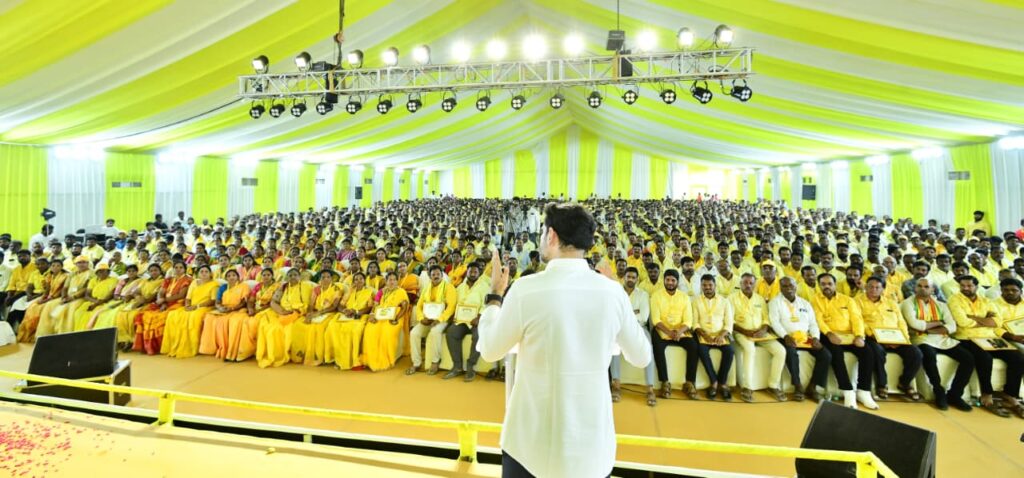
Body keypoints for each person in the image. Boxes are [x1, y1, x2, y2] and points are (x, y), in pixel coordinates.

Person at [476, 202, 651, 478]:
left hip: (528, 448)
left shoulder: (525, 289)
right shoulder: (613, 293)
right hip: (591, 452)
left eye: (543, 232)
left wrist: (495, 297)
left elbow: (489, 349)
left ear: (552, 236)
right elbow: (641, 355)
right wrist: (617, 300)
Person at [948, 275, 1024, 417]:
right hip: (968, 338)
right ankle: (986, 394)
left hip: (990, 337)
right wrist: (985, 319)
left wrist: (973, 317)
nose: (965, 288)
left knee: (1017, 358)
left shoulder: (986, 301)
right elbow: (963, 322)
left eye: (969, 286)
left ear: (976, 287)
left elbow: (997, 322)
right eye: (962, 286)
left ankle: (1010, 395)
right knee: (985, 358)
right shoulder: (954, 299)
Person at [901, 280, 974, 411]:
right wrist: (939, 322)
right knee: (929, 355)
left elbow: (952, 326)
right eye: (919, 286)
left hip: (942, 338)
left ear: (933, 290)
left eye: (926, 287)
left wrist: (928, 328)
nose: (922, 289)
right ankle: (938, 390)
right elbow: (916, 325)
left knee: (968, 358)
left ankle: (955, 394)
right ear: (915, 288)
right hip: (920, 338)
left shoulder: (941, 305)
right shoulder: (907, 303)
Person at [810, 273, 876, 409]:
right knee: (836, 353)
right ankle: (848, 392)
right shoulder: (815, 300)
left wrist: (859, 336)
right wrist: (829, 334)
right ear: (819, 285)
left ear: (835, 285)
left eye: (829, 284)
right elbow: (818, 320)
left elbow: (856, 319)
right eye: (823, 284)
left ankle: (863, 391)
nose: (826, 286)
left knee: (868, 352)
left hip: (850, 335)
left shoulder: (847, 300)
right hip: (829, 334)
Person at [857, 276, 922, 401]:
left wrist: (904, 338)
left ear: (883, 289)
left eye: (877, 287)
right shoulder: (857, 302)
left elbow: (901, 322)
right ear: (865, 287)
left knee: (916, 353)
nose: (873, 290)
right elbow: (858, 321)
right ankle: (882, 385)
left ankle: (905, 383)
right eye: (870, 286)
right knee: (877, 352)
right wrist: (874, 335)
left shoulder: (891, 303)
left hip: (896, 337)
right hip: (872, 337)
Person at [769, 277, 831, 402]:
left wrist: (815, 338)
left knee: (826, 355)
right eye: (785, 286)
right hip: (786, 336)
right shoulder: (775, 302)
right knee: (791, 352)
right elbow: (774, 323)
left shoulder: (805, 303)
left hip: (805, 337)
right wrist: (785, 336)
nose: (788, 289)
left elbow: (813, 323)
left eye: (791, 286)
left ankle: (812, 387)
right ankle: (797, 386)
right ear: (780, 288)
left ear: (796, 286)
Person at [731, 273, 788, 402]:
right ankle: (747, 387)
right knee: (750, 350)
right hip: (741, 332)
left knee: (781, 351)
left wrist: (763, 330)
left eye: (751, 283)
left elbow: (766, 319)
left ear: (754, 284)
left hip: (761, 334)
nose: (748, 285)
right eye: (745, 282)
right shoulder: (732, 298)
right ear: (740, 284)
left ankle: (773, 385)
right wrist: (744, 331)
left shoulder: (760, 299)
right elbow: (730, 321)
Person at [609, 267, 657, 406]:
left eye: (633, 277)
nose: (630, 279)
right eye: (628, 277)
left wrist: (625, 315)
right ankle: (616, 385)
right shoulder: (616, 292)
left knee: (648, 347)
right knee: (613, 348)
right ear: (624, 277)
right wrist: (632, 312)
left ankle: (650, 388)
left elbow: (644, 316)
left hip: (639, 328)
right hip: (618, 328)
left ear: (637, 279)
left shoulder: (643, 294)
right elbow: (613, 313)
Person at [650, 269, 700, 400]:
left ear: (677, 282)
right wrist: (668, 332)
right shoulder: (656, 295)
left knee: (694, 347)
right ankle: (665, 382)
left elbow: (688, 321)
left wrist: (678, 332)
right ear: (664, 280)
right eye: (668, 280)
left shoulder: (684, 297)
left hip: (680, 332)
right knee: (658, 347)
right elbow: (656, 320)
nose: (670, 283)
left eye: (673, 280)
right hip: (662, 330)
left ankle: (689, 382)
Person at [255, 268, 313, 368]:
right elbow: (273, 302)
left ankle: (286, 354)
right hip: (281, 312)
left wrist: (296, 311)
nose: (293, 277)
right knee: (271, 329)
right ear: (287, 277)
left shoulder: (306, 286)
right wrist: (282, 311)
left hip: (298, 313)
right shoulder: (283, 287)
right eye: (290, 275)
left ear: (300, 277)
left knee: (288, 329)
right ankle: (274, 355)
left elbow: (308, 304)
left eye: (295, 275)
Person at [406, 265, 456, 376]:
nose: (436, 276)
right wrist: (421, 318)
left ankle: (435, 361)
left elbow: (451, 307)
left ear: (442, 275)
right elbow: (419, 306)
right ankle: (417, 362)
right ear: (429, 276)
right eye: (433, 274)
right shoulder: (426, 288)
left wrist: (439, 319)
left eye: (438, 274)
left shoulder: (449, 287)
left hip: (442, 320)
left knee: (434, 332)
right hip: (427, 319)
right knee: (414, 333)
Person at [444, 261, 489, 381]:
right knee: (451, 332)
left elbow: (487, 305)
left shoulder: (484, 286)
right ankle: (457, 366)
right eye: (471, 271)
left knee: (478, 335)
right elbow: (455, 303)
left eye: (475, 271)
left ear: (479, 273)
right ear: (467, 272)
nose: (473, 273)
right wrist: (455, 315)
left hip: (477, 320)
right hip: (462, 320)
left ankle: (470, 366)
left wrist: (479, 317)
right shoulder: (460, 287)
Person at [693, 274, 735, 400]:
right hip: (703, 335)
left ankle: (722, 382)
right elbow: (695, 322)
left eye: (710, 285)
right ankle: (714, 382)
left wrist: (722, 335)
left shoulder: (724, 301)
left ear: (715, 286)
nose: (707, 288)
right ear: (701, 286)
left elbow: (729, 323)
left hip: (720, 334)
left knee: (730, 351)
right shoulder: (696, 301)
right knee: (701, 351)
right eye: (704, 285)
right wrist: (704, 334)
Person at [291, 270, 343, 366]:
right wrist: (310, 314)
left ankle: (318, 356)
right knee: (298, 325)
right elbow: (311, 304)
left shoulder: (336, 289)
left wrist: (319, 313)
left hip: (329, 313)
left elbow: (334, 306)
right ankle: (302, 353)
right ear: (320, 279)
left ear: (331, 279)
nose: (325, 279)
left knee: (318, 327)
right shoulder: (316, 289)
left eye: (328, 277)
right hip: (316, 312)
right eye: (323, 277)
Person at [324, 271, 372, 370]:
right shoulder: (349, 291)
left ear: (364, 281)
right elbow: (341, 305)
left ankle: (352, 359)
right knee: (332, 327)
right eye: (356, 279)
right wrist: (344, 311)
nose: (358, 281)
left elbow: (369, 308)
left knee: (353, 331)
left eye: (361, 279)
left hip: (359, 315)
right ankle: (337, 358)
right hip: (345, 315)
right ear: (353, 281)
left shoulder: (369, 292)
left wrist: (357, 311)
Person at [363, 271, 410, 371]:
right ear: (386, 281)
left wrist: (396, 318)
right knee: (370, 330)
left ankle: (386, 359)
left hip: (395, 316)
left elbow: (404, 307)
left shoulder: (401, 292)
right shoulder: (383, 291)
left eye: (394, 280)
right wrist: (372, 315)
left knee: (386, 332)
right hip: (380, 316)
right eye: (389, 280)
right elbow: (375, 306)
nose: (392, 282)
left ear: (397, 281)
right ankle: (371, 359)